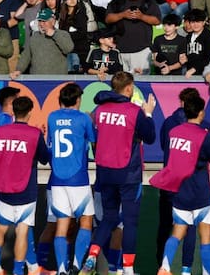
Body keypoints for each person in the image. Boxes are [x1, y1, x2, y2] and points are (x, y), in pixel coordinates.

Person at [82, 72, 156, 275]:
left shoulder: (99, 110)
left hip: (105, 172)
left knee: (108, 219)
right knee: (130, 222)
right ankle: (128, 268)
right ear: (129, 89)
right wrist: (148, 113)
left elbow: (94, 137)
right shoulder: (134, 111)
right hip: (128, 174)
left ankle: (92, 255)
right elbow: (149, 137)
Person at [152, 90, 210, 275]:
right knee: (206, 236)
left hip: (180, 190)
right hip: (200, 192)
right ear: (201, 113)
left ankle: (165, 267)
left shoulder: (174, 131)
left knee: (177, 233)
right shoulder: (204, 135)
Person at [0, 96, 49, 275]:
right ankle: (18, 270)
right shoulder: (34, 134)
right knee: (22, 231)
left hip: (4, 188)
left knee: (0, 227)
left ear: (13, 111)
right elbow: (45, 159)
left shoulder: (0, 132)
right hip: (25, 190)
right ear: (29, 112)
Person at [46, 83, 97, 275]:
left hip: (58, 179)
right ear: (77, 100)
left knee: (61, 225)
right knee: (85, 222)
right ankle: (75, 265)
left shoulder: (52, 117)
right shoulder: (83, 118)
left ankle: (61, 269)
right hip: (78, 178)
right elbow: (93, 141)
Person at [104, 0, 162, 73]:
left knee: (141, 84)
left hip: (141, 50)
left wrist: (142, 16)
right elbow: (108, 19)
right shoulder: (119, 1)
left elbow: (157, 20)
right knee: (121, 83)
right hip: (121, 50)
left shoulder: (148, 1)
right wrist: (122, 15)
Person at [11, 8, 74, 77]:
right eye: (39, 21)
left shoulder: (63, 34)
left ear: (52, 21)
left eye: (44, 21)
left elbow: (68, 49)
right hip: (37, 80)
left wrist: (54, 35)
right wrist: (19, 70)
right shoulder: (34, 37)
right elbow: (26, 56)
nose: (41, 24)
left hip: (57, 81)